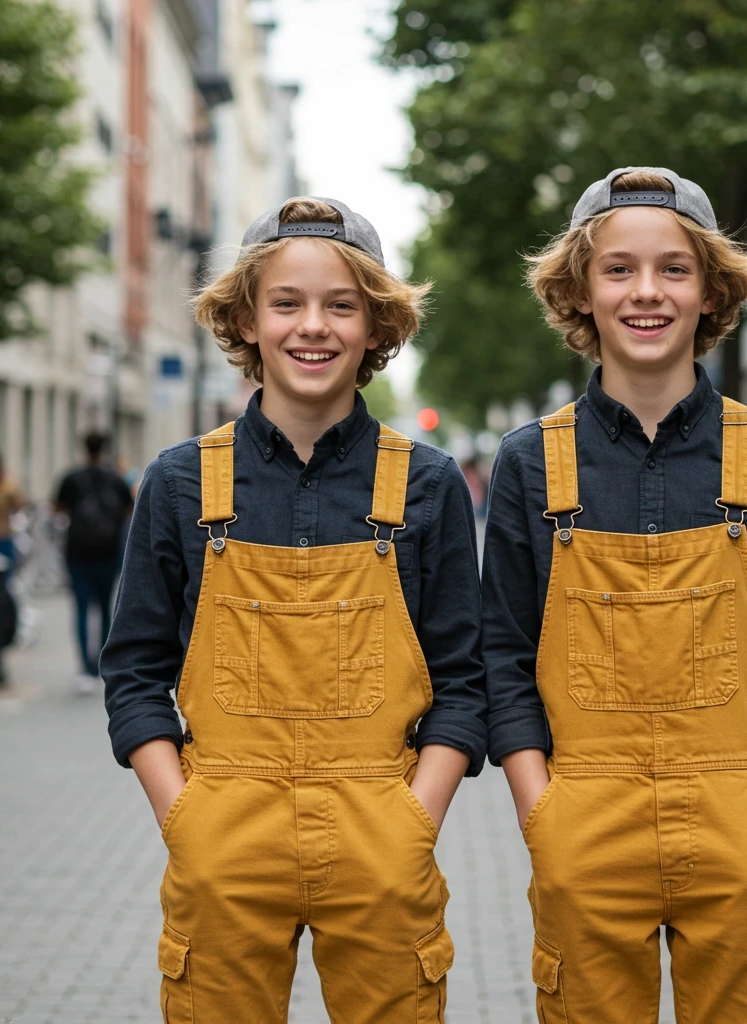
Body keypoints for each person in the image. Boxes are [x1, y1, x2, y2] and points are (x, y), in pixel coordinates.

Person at [100, 197, 486, 1023]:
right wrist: (186, 818)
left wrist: (415, 817)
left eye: (341, 305)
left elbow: (464, 678)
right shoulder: (178, 483)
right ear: (245, 316)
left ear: (378, 326)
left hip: (382, 834)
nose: (313, 327)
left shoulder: (427, 484)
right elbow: (133, 673)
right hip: (223, 838)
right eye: (287, 303)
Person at [482, 167, 747, 1023]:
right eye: (619, 269)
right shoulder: (530, 462)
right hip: (584, 829)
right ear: (579, 290)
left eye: (675, 269)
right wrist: (546, 820)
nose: (647, 292)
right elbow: (502, 657)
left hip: (738, 828)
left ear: (712, 288)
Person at [56, 432, 133, 691]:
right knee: (104, 608)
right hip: (107, 552)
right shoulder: (115, 479)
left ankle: (84, 668)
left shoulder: (72, 478)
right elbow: (129, 510)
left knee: (80, 609)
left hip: (77, 553)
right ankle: (103, 663)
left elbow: (58, 507)